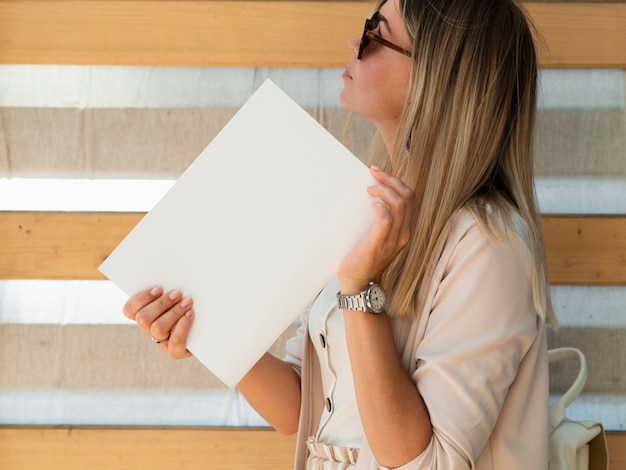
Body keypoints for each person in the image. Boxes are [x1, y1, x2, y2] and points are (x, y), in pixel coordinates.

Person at [123, 0, 558, 467]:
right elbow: (299, 404)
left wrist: (359, 290)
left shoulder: (491, 245)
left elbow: (431, 463)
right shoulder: (366, 210)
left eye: (376, 32)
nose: (355, 43)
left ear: (437, 78)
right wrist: (206, 331)